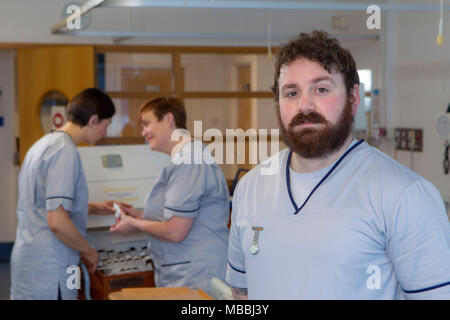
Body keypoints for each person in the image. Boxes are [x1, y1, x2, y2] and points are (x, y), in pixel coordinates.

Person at [226, 31, 450, 299]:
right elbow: (242, 292)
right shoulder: (250, 187)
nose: (304, 105)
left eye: (321, 89)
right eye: (291, 92)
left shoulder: (406, 194)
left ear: (354, 98)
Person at [110, 97, 230, 294]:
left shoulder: (188, 161)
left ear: (168, 119)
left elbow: (175, 231)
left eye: (147, 124)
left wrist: (134, 224)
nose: (143, 132)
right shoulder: (184, 159)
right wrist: (136, 214)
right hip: (184, 269)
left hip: (197, 271)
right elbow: (176, 215)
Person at [10, 88, 120, 300]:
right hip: (53, 267)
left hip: (29, 261)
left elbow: (42, 203)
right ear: (93, 120)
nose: (105, 132)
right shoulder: (65, 151)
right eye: (106, 125)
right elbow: (57, 221)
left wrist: (93, 207)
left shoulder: (42, 145)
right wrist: (88, 251)